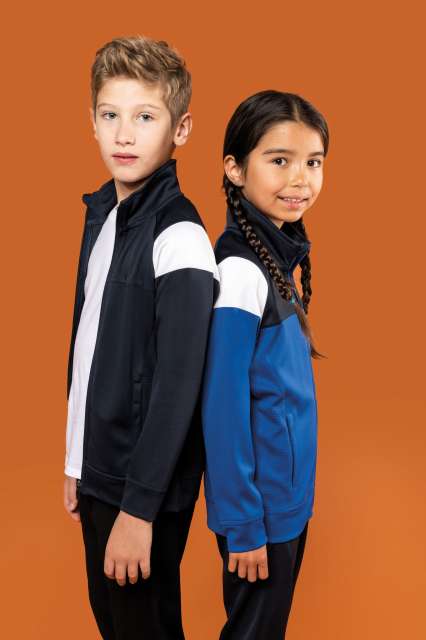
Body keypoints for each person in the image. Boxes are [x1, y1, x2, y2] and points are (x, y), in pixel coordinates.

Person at [63, 35, 219, 639]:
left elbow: (179, 387)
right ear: (92, 122)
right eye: (111, 115)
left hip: (141, 489)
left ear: (181, 129)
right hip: (100, 472)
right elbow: (88, 346)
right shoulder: (105, 216)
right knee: (116, 623)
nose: (124, 135)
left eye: (145, 117)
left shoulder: (180, 236)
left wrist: (138, 509)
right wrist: (75, 458)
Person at [201, 90, 329, 639]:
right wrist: (244, 523)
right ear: (234, 169)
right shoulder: (240, 272)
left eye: (313, 162)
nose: (300, 179)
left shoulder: (275, 257)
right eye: (280, 160)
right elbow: (221, 407)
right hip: (261, 513)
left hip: (286, 503)